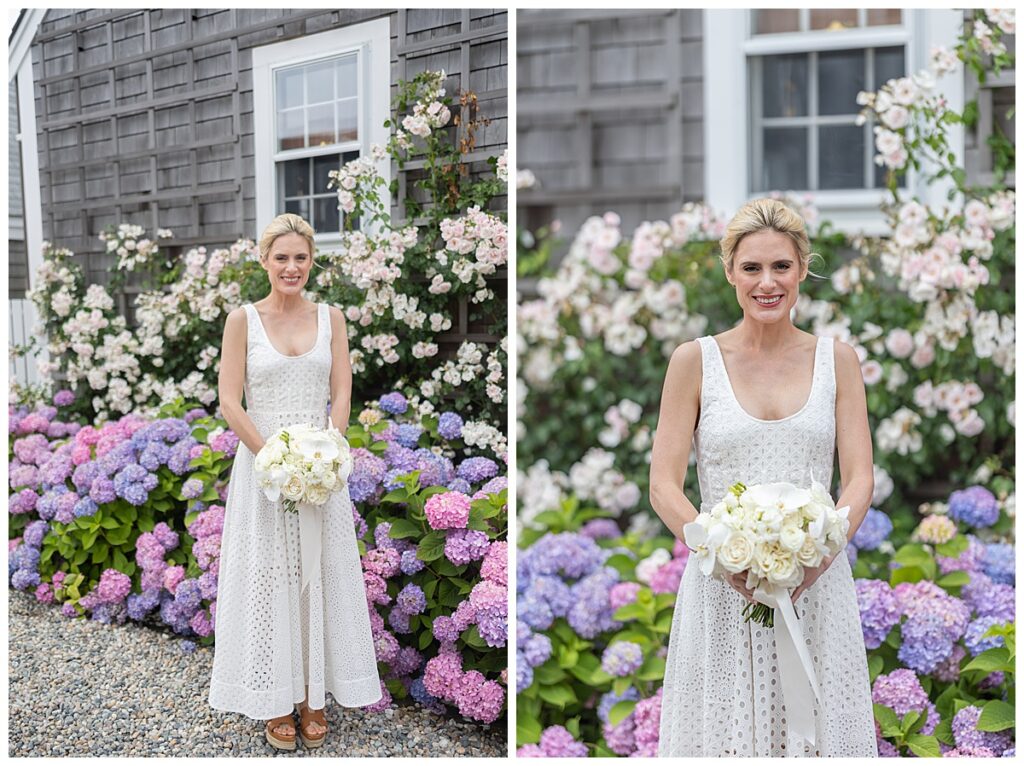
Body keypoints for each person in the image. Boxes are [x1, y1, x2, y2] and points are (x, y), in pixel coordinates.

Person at [649, 198, 877, 756]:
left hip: (817, 589)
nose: (767, 282)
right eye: (751, 268)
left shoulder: (837, 360)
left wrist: (817, 558)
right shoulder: (693, 361)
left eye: (781, 266)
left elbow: (861, 479)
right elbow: (663, 485)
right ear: (730, 272)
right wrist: (722, 553)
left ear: (802, 268)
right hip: (722, 591)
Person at [208, 213, 381, 750]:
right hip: (264, 471)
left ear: (311, 261)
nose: (291, 267)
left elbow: (343, 390)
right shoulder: (243, 320)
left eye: (300, 257)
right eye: (281, 257)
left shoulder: (331, 317)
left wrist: (328, 450)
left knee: (317, 576)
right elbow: (230, 401)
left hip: (320, 472)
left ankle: (313, 697)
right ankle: (275, 698)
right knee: (270, 579)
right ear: (264, 261)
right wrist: (274, 459)